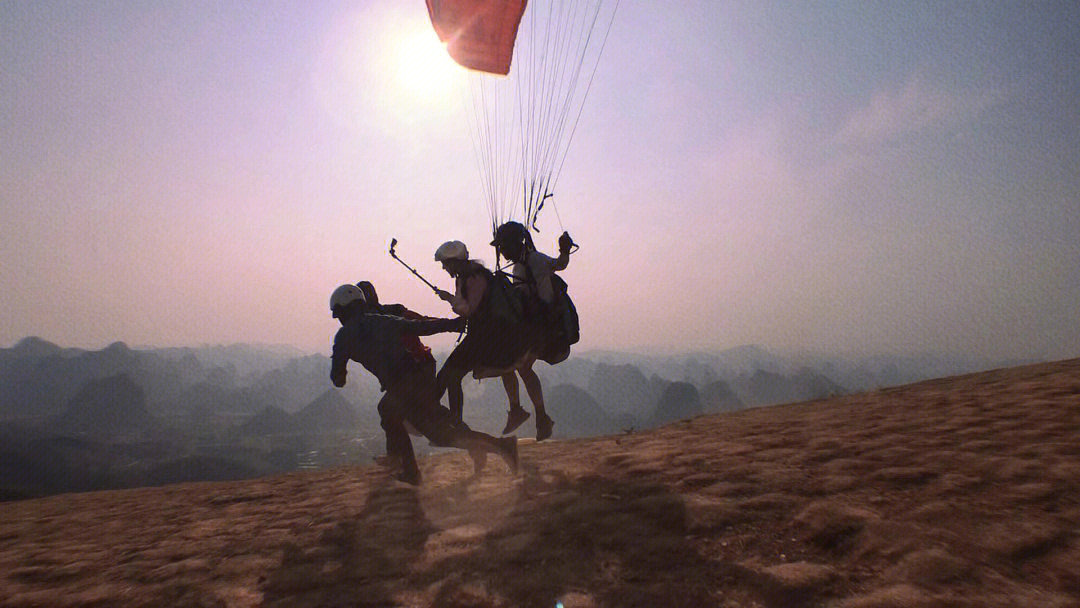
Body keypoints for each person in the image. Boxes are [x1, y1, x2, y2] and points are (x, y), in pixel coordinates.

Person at [329, 283, 517, 485]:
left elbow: (338, 379)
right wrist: (454, 324)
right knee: (440, 435)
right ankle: (503, 446)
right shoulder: (383, 320)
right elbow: (420, 326)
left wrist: (342, 371)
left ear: (343, 310)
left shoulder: (343, 337)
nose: (338, 319)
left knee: (387, 410)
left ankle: (408, 470)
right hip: (419, 379)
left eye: (338, 313)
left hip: (404, 386)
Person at [432, 240, 555, 440]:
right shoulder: (468, 277)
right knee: (454, 374)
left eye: (445, 263)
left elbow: (469, 308)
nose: (444, 267)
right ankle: (459, 423)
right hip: (489, 337)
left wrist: (450, 300)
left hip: (487, 338)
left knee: (449, 374)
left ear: (454, 262)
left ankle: (446, 424)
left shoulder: (474, 277)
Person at [491, 221, 579, 364]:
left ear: (514, 244)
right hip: (532, 318)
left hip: (544, 318)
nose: (501, 250)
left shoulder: (535, 259)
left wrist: (564, 250)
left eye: (503, 246)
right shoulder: (518, 266)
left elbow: (560, 264)